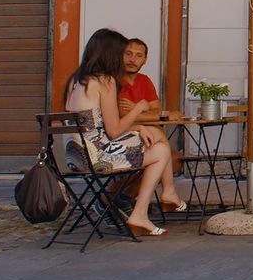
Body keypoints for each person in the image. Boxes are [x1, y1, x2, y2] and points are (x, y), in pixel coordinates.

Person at [64, 28, 186, 237]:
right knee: (161, 151)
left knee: (154, 135)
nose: (124, 58)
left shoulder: (76, 81)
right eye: (122, 52)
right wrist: (139, 108)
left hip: (75, 155)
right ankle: (143, 210)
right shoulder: (106, 81)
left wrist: (138, 127)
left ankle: (165, 194)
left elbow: (98, 126)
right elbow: (114, 131)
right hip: (97, 156)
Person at [119, 37, 161, 121]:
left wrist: (136, 108)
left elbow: (158, 110)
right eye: (128, 54)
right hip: (122, 131)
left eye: (139, 56)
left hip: (146, 129)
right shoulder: (113, 81)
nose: (132, 60)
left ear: (145, 60)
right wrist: (141, 108)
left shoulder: (144, 80)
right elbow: (121, 115)